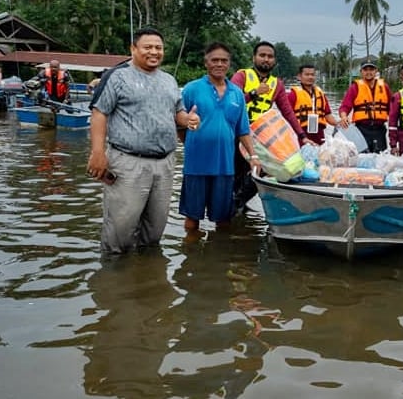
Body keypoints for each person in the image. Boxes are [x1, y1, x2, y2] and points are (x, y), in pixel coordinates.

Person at [86, 27, 201, 255]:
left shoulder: (168, 80)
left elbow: (177, 112)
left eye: (158, 48)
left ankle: (148, 278)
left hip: (165, 163)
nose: (154, 52)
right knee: (120, 230)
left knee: (155, 229)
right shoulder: (117, 76)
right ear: (133, 49)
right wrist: (97, 153)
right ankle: (113, 280)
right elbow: (99, 113)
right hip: (128, 162)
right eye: (148, 47)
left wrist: (187, 119)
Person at [180, 42, 261, 231]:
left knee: (224, 219)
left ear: (229, 64)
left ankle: (219, 257)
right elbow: (179, 122)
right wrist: (190, 143)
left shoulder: (237, 94)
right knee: (192, 219)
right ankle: (192, 257)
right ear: (206, 63)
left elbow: (243, 130)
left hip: (225, 166)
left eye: (224, 60)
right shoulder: (191, 89)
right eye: (214, 60)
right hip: (196, 166)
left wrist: (253, 156)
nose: (219, 64)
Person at [230, 41, 308, 212]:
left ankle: (238, 203)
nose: (266, 59)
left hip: (260, 138)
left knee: (262, 172)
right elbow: (230, 103)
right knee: (235, 173)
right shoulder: (241, 76)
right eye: (262, 55)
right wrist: (253, 93)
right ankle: (231, 208)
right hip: (236, 134)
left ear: (274, 61)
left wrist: (301, 136)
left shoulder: (277, 84)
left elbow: (287, 112)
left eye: (270, 56)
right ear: (254, 58)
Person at [338, 58, 391, 153]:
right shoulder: (355, 87)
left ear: (376, 71)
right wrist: (344, 117)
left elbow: (392, 108)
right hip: (362, 130)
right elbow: (345, 107)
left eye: (371, 69)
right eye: (365, 70)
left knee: (381, 160)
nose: (368, 72)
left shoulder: (384, 87)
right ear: (361, 72)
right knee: (362, 159)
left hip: (379, 130)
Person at [287, 64, 338, 145]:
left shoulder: (321, 94)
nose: (310, 77)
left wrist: (338, 123)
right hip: (301, 137)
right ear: (299, 76)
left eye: (312, 75)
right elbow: (286, 116)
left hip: (319, 136)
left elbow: (328, 115)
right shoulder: (293, 95)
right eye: (307, 74)